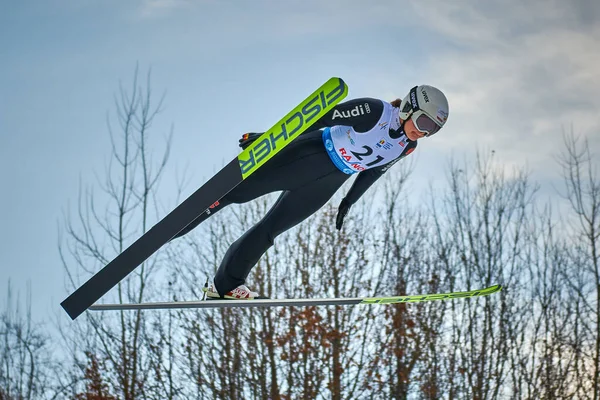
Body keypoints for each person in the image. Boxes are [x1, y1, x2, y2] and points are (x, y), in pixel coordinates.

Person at [174, 85, 450, 299]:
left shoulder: (406, 146)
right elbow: (318, 118)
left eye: (433, 130)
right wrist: (268, 140)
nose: (424, 133)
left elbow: (374, 171)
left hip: (329, 182)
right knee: (238, 192)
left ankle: (225, 285)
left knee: (272, 229)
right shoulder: (375, 111)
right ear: (409, 109)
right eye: (424, 124)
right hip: (309, 154)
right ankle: (177, 225)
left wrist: (348, 202)